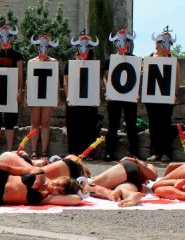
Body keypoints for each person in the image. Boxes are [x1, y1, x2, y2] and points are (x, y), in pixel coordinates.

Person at [0, 22, 23, 158]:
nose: (5, 39)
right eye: (2, 36)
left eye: (7, 36)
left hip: (11, 91)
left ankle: (9, 151)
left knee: (10, 121)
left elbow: (20, 74)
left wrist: (20, 91)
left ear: (11, 38)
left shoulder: (17, 55)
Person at [145, 26, 180, 162]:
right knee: (153, 125)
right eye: (163, 43)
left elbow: (176, 79)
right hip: (152, 98)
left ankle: (166, 152)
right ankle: (156, 152)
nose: (167, 46)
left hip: (166, 97)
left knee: (165, 124)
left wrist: (174, 94)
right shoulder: (149, 58)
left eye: (169, 43)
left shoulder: (173, 60)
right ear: (157, 44)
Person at [103, 28, 139, 161]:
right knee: (113, 125)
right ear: (116, 43)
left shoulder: (134, 60)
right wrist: (108, 90)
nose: (123, 43)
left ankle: (134, 152)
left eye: (125, 41)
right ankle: (109, 152)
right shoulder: (109, 60)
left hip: (130, 96)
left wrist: (137, 93)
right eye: (119, 41)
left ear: (129, 43)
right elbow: (106, 78)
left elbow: (137, 79)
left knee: (131, 124)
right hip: (114, 96)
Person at [65, 31, 100, 157]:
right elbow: (66, 80)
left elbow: (97, 81)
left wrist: (97, 98)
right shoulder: (70, 63)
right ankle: (74, 153)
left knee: (89, 127)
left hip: (89, 100)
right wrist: (69, 96)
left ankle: (88, 153)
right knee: (74, 126)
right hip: (74, 100)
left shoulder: (95, 65)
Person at [27, 34, 59, 161]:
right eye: (41, 45)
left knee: (45, 122)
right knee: (34, 122)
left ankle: (45, 152)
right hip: (35, 94)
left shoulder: (53, 62)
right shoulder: (32, 62)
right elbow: (28, 80)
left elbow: (56, 80)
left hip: (48, 94)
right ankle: (34, 151)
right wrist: (26, 96)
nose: (43, 47)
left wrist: (56, 95)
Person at [85, 157, 157, 207]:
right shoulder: (148, 165)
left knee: (88, 186)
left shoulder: (138, 162)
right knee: (121, 191)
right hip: (135, 181)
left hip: (129, 167)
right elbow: (153, 177)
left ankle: (107, 193)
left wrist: (136, 162)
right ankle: (131, 195)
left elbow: (153, 176)